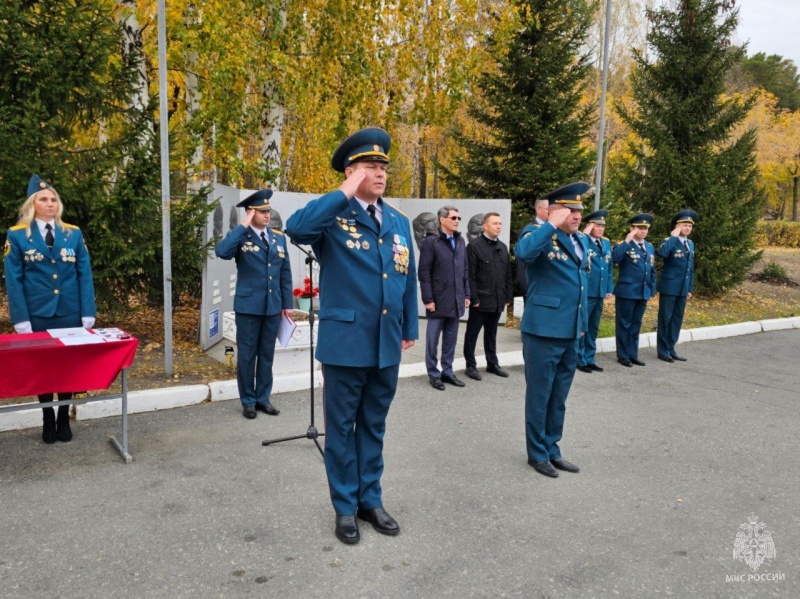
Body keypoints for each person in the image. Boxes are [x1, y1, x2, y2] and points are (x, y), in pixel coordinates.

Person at [285, 127, 418, 545]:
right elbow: (296, 228)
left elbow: (406, 276)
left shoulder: (397, 220)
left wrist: (409, 327)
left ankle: (370, 499)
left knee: (373, 425)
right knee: (341, 428)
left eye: (382, 166)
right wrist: (344, 191)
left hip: (386, 341)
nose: (379, 173)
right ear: (351, 172)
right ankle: (344, 507)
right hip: (345, 342)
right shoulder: (332, 215)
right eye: (369, 166)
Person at [3, 175, 96, 444]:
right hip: (37, 314)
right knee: (43, 367)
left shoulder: (73, 233)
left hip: (69, 311)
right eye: (44, 199)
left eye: (54, 199)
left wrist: (87, 311)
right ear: (33, 203)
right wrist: (20, 318)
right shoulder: (18, 235)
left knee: (67, 367)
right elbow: (14, 279)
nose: (50, 203)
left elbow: (84, 274)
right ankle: (47, 417)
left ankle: (63, 415)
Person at [514, 182, 589, 478]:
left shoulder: (579, 241)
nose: (576, 215)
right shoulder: (538, 235)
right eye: (570, 210)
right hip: (543, 331)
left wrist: (581, 327)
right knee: (540, 394)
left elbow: (581, 287)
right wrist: (550, 225)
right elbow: (523, 253)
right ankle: (537, 453)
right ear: (555, 211)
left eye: (579, 210)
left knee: (558, 396)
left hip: (570, 332)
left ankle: (552, 448)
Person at [215, 189, 293, 419]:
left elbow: (285, 273)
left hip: (272, 307)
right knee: (248, 355)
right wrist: (243, 226)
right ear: (250, 213)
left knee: (266, 355)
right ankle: (248, 401)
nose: (268, 215)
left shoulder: (278, 237)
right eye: (262, 211)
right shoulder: (241, 237)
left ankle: (263, 398)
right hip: (248, 308)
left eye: (268, 211)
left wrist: (286, 303)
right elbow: (222, 252)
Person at [418, 205, 470, 390]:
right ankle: (433, 373)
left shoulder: (461, 241)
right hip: (438, 300)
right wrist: (428, 299)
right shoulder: (431, 242)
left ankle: (447, 371)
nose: (457, 221)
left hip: (455, 300)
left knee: (451, 339)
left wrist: (466, 293)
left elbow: (464, 270)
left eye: (458, 218)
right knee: (432, 341)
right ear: (442, 220)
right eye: (454, 218)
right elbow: (424, 272)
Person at [463, 212, 513, 381]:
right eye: (495, 223)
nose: (498, 226)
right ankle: (470, 365)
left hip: (497, 300)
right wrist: (474, 298)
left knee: (491, 334)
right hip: (481, 301)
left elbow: (507, 274)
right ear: (485, 226)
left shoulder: (502, 247)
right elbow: (469, 275)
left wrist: (508, 296)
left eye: (500, 223)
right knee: (472, 334)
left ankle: (492, 363)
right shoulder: (474, 246)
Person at [612, 214, 656, 367]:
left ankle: (632, 354)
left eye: (645, 228)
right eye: (639, 228)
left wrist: (651, 290)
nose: (643, 231)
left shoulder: (649, 247)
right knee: (624, 323)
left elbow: (651, 270)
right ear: (632, 228)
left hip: (643, 291)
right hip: (627, 291)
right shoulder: (624, 245)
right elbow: (615, 258)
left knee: (636, 323)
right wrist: (627, 240)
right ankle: (623, 355)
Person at [656, 210, 697, 362]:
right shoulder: (669, 240)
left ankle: (671, 348)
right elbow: (663, 253)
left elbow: (690, 267)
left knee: (677, 319)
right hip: (669, 286)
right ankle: (662, 351)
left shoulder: (690, 244)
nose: (687, 228)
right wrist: (673, 236)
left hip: (682, 288)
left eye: (689, 226)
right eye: (684, 225)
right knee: (665, 318)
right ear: (677, 226)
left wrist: (690, 288)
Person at [577, 209, 613, 373]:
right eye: (597, 226)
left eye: (602, 226)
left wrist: (608, 289)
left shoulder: (605, 243)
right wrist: (583, 235)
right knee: (582, 326)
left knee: (593, 327)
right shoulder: (582, 240)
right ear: (589, 226)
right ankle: (580, 359)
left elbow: (609, 267)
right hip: (587, 291)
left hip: (599, 291)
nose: (600, 229)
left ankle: (590, 358)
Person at [515, 198, 549, 305]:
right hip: (533, 289)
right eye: (549, 209)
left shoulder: (554, 229)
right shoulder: (530, 230)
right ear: (538, 209)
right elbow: (522, 262)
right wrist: (526, 288)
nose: (552, 212)